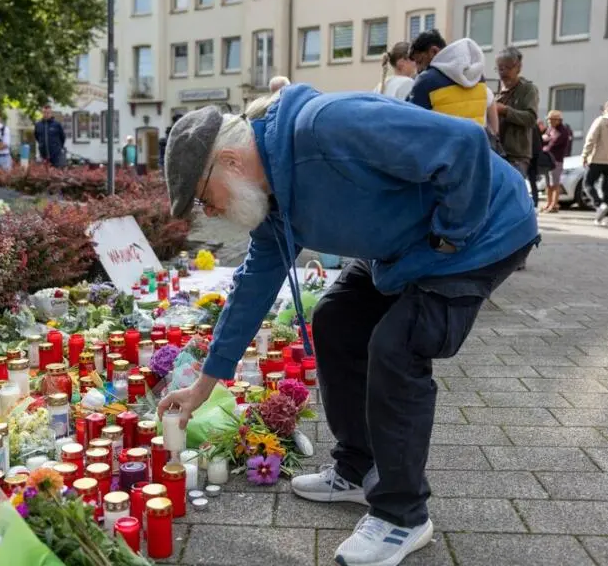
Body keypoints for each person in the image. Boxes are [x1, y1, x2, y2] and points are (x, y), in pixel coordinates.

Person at [158, 84, 538, 566]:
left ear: (231, 162)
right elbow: (251, 289)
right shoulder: (272, 203)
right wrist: (202, 386)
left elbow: (462, 143)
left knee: (398, 348)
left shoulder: (327, 126)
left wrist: (448, 237)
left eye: (202, 198)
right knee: (335, 318)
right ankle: (357, 469)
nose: (208, 212)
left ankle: (403, 516)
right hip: (408, 251)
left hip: (481, 233)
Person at [408, 31, 498, 134]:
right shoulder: (477, 76)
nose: (418, 69)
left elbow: (413, 122)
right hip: (475, 146)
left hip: (444, 147)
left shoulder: (426, 80)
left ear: (434, 51)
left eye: (420, 62)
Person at [494, 47, 539, 179]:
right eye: (500, 68)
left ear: (518, 67)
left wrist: (505, 111)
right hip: (497, 152)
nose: (503, 72)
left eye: (507, 68)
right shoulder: (497, 90)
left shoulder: (528, 89)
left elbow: (531, 118)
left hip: (517, 155)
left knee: (512, 193)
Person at [541, 110, 572, 213]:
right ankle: (548, 203)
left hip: (556, 160)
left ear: (558, 120)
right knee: (548, 184)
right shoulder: (550, 129)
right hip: (548, 160)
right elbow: (544, 140)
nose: (549, 122)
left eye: (551, 120)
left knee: (555, 184)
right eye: (548, 120)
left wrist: (544, 146)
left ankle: (554, 205)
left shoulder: (563, 132)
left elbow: (552, 145)